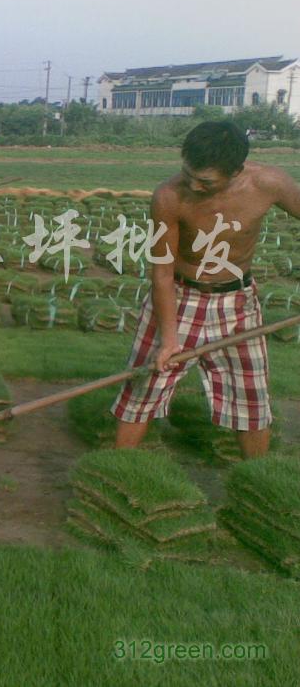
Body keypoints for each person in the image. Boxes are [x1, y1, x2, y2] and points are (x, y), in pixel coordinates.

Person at [112, 121, 300, 458]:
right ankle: (112, 467)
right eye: (188, 175)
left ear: (236, 170)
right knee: (143, 388)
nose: (194, 186)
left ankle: (257, 479)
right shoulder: (168, 197)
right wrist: (169, 340)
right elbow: (162, 273)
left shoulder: (270, 183)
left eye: (206, 182)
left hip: (238, 302)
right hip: (180, 298)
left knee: (251, 397)